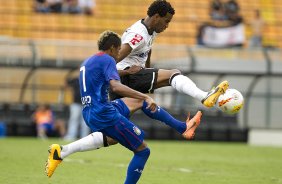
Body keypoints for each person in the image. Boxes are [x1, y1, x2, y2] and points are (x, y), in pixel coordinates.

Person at [45, 30, 202, 183]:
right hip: (104, 113)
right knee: (143, 151)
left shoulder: (89, 61)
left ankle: (183, 127)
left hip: (93, 110)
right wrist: (145, 95)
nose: (119, 54)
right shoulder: (108, 60)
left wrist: (126, 72)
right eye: (119, 49)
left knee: (128, 116)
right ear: (113, 47)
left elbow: (105, 76)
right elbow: (115, 87)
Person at [110, 0, 229, 108]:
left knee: (113, 127)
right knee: (173, 74)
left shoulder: (150, 29)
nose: (167, 26)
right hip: (126, 78)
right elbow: (110, 62)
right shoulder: (138, 36)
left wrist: (148, 71)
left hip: (130, 78)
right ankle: (204, 96)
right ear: (156, 17)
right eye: (166, 21)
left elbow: (147, 50)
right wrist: (124, 73)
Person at [63, 75, 90, 141]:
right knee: (74, 119)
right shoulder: (75, 79)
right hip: (75, 103)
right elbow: (66, 85)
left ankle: (84, 136)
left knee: (85, 121)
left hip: (86, 103)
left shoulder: (89, 78)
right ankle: (71, 135)